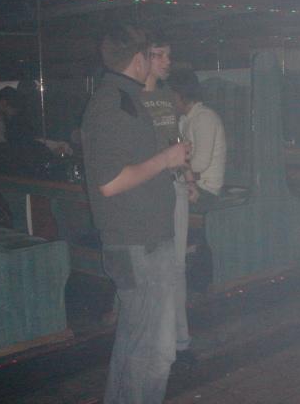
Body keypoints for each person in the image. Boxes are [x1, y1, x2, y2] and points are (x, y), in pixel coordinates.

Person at [81, 24, 190, 404]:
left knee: (135, 345)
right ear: (139, 59)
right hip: (139, 244)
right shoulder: (115, 104)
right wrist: (166, 159)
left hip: (141, 241)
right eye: (150, 54)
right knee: (153, 354)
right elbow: (110, 182)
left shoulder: (122, 98)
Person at [140, 33, 200, 371]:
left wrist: (188, 177)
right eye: (159, 55)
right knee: (152, 268)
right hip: (147, 193)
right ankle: (156, 340)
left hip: (173, 187)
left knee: (176, 268)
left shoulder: (165, 97)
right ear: (142, 57)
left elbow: (174, 140)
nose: (167, 62)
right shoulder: (132, 97)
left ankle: (180, 342)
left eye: (168, 55)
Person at [169, 69, 227, 206]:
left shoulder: (204, 118)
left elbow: (200, 163)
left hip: (205, 190)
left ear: (181, 95)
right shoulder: (186, 119)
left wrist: (173, 169)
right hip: (193, 184)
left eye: (171, 95)